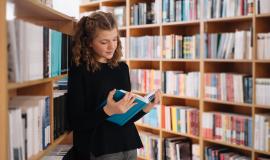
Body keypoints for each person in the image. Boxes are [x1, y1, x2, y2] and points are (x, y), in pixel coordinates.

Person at [67, 11, 161, 160]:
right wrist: (106, 111)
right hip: (101, 148)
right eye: (104, 42)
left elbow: (124, 116)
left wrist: (145, 108)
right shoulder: (80, 71)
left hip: (128, 144)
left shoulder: (122, 68)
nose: (111, 46)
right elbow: (76, 122)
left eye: (115, 39)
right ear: (89, 42)